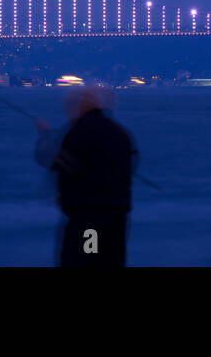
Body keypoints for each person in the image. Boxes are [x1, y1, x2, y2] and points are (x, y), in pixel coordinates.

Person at [34, 86, 138, 267]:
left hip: (87, 218)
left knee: (86, 259)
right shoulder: (123, 135)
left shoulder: (74, 133)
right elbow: (132, 164)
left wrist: (45, 135)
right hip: (117, 217)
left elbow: (48, 157)